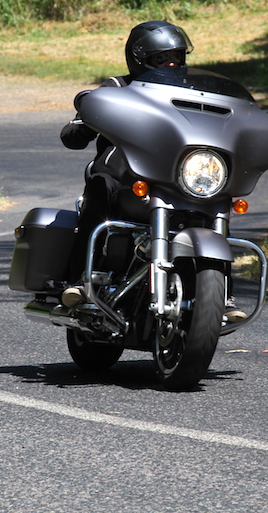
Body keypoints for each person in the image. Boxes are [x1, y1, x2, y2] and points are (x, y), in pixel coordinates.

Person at [59, 21, 193, 306]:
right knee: (100, 184)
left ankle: (222, 293)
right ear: (139, 60)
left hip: (177, 175)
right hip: (125, 176)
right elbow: (72, 134)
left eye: (176, 57)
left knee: (217, 195)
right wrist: (86, 116)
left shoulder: (194, 94)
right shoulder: (119, 87)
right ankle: (80, 279)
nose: (170, 64)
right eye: (161, 58)